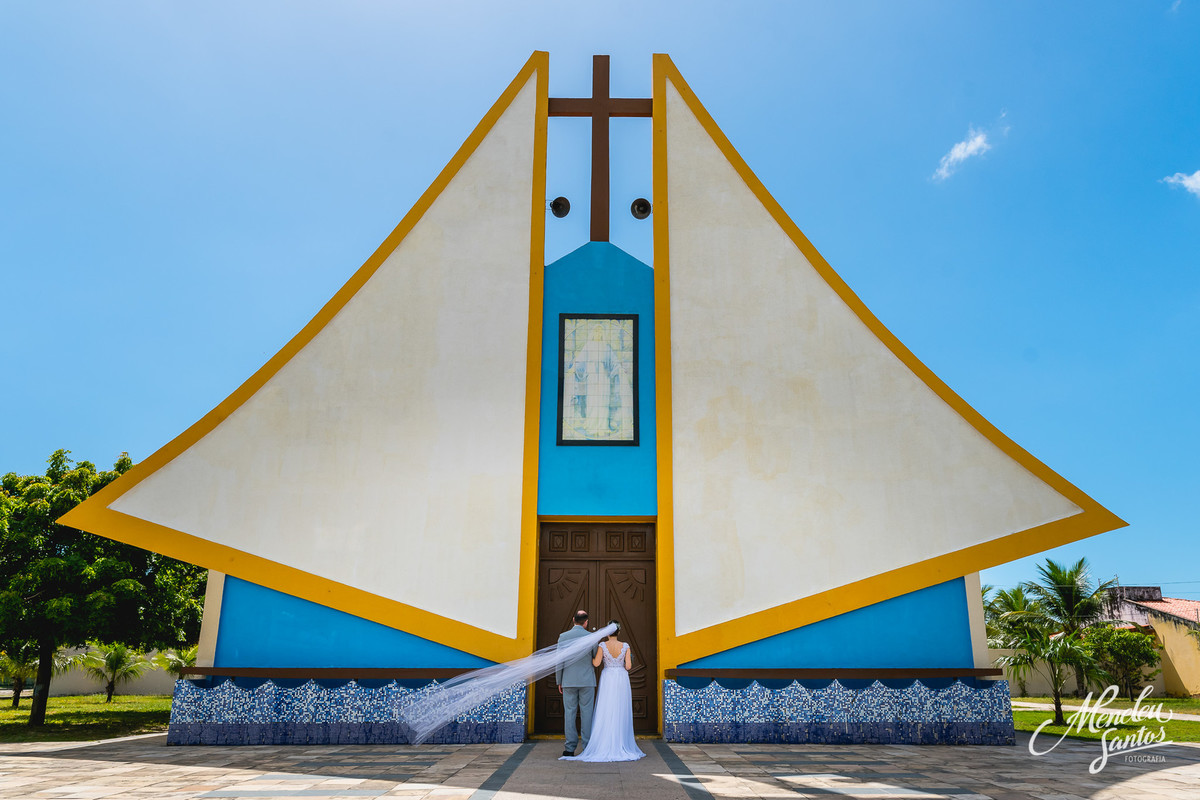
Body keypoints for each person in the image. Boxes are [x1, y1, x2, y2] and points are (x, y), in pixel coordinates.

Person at [560, 619, 645, 762]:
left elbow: (596, 663)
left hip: (608, 678)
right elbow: (628, 667)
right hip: (621, 679)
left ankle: (603, 741)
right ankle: (620, 742)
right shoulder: (625, 646)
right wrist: (626, 659)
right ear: (619, 632)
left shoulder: (602, 645)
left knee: (606, 708)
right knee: (619, 709)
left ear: (607, 632)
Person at [555, 610, 597, 757]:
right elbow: (594, 657)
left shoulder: (563, 637)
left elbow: (559, 661)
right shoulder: (591, 637)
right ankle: (587, 747)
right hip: (587, 681)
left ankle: (569, 748)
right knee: (587, 713)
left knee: (570, 713)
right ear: (586, 622)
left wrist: (559, 680)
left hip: (568, 680)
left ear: (573, 620)